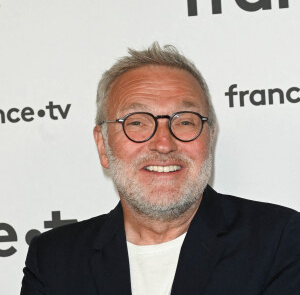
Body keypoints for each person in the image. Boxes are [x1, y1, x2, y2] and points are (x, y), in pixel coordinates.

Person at [21, 43, 300, 295]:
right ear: (103, 146)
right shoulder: (53, 258)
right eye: (137, 122)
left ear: (210, 138)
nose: (164, 144)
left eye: (185, 122)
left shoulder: (280, 240)